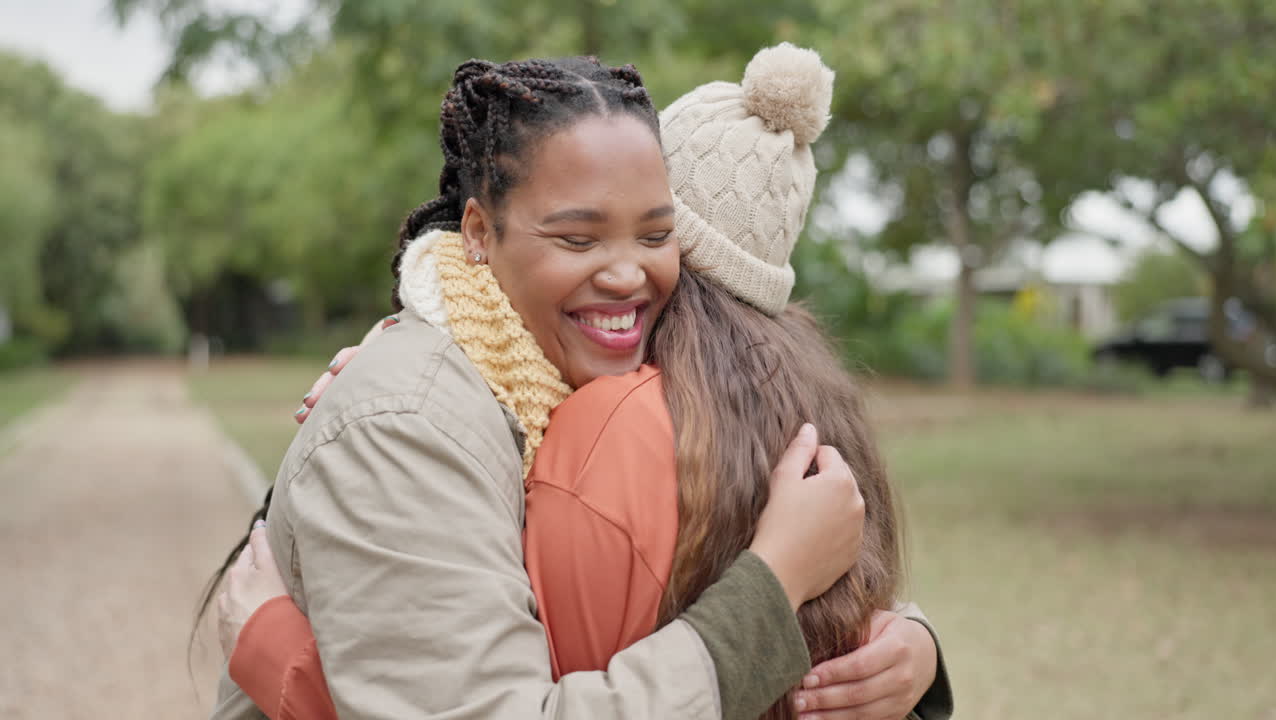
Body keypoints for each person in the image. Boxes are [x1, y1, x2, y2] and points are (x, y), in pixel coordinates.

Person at [218, 46, 951, 720]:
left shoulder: (586, 382)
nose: (628, 273)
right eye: (577, 238)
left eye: (657, 236)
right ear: (478, 232)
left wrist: (903, 648)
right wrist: (773, 582)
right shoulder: (410, 423)